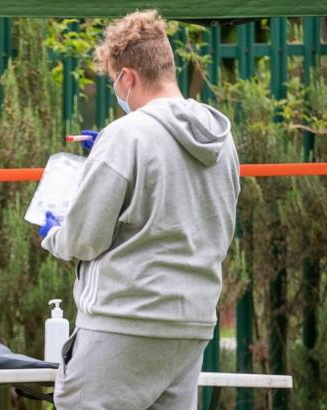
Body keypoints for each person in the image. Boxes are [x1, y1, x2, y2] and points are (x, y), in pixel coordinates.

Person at [39, 10, 240, 410]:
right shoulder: (222, 140)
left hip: (125, 322)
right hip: (191, 324)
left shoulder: (126, 134)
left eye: (114, 80)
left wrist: (55, 233)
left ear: (127, 77)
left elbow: (85, 238)